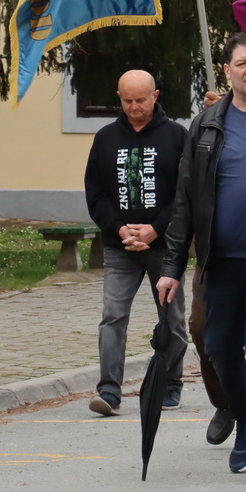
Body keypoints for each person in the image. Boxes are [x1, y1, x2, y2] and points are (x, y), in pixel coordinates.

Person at [157, 34, 246, 482]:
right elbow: (185, 199)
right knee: (217, 350)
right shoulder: (207, 125)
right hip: (219, 262)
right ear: (228, 71)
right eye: (242, 63)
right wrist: (172, 268)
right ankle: (243, 420)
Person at [84, 70, 189, 417]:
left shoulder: (176, 136)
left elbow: (183, 194)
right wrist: (120, 229)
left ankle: (170, 383)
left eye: (141, 100)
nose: (134, 107)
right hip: (120, 247)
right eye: (127, 100)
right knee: (112, 316)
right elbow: (95, 193)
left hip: (165, 248)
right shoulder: (105, 137)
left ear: (155, 95)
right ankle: (109, 391)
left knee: (171, 319)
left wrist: (156, 229)